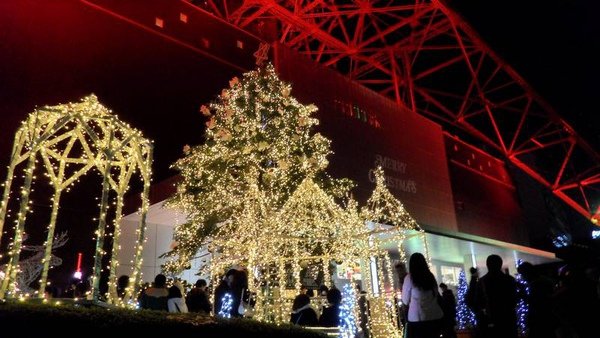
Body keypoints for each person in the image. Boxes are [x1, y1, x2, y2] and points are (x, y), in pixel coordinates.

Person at [473, 255, 517, 338]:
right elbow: (514, 299)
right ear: (500, 264)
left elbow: (477, 302)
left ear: (487, 265)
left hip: (490, 320)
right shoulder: (510, 280)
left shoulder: (482, 281)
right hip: (508, 320)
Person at [401, 252, 443, 338]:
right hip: (435, 316)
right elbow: (436, 294)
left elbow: (405, 300)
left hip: (417, 319)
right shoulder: (430, 276)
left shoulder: (409, 278)